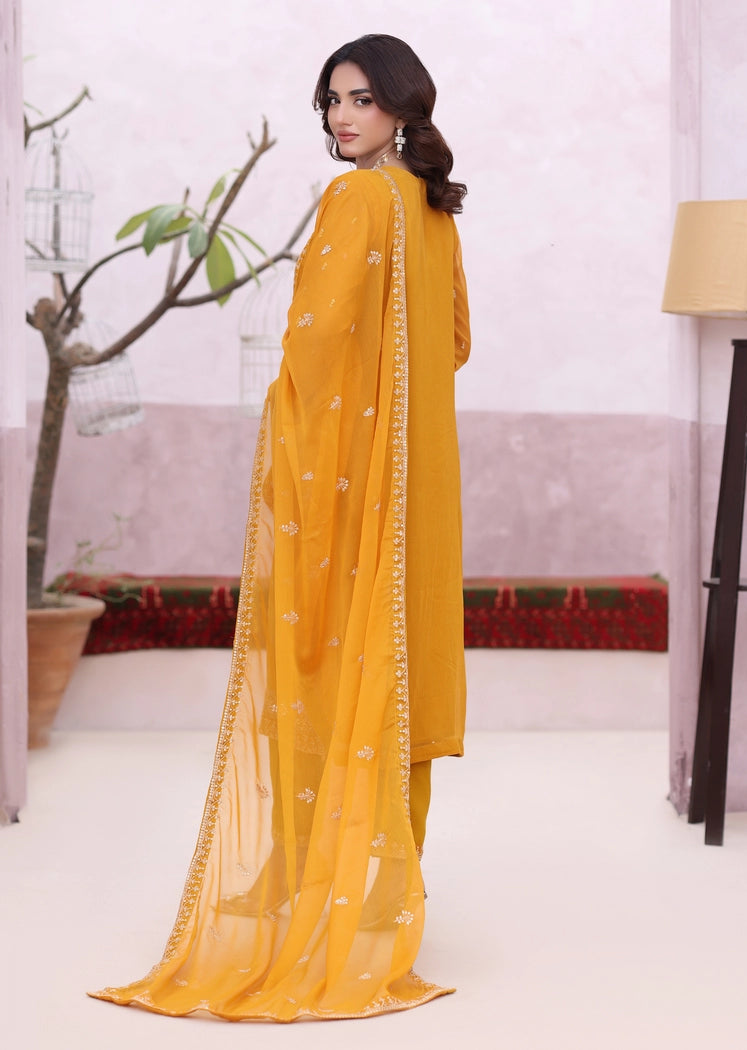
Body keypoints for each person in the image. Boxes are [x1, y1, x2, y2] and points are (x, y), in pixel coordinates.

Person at [90, 33, 470, 1022]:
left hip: (350, 488)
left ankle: (308, 902)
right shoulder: (435, 212)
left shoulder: (356, 199)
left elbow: (313, 342)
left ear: (402, 105)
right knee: (393, 680)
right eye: (332, 100)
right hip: (421, 491)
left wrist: (307, 439)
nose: (341, 116)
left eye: (360, 98)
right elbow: (455, 342)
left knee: (321, 663)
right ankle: (378, 906)